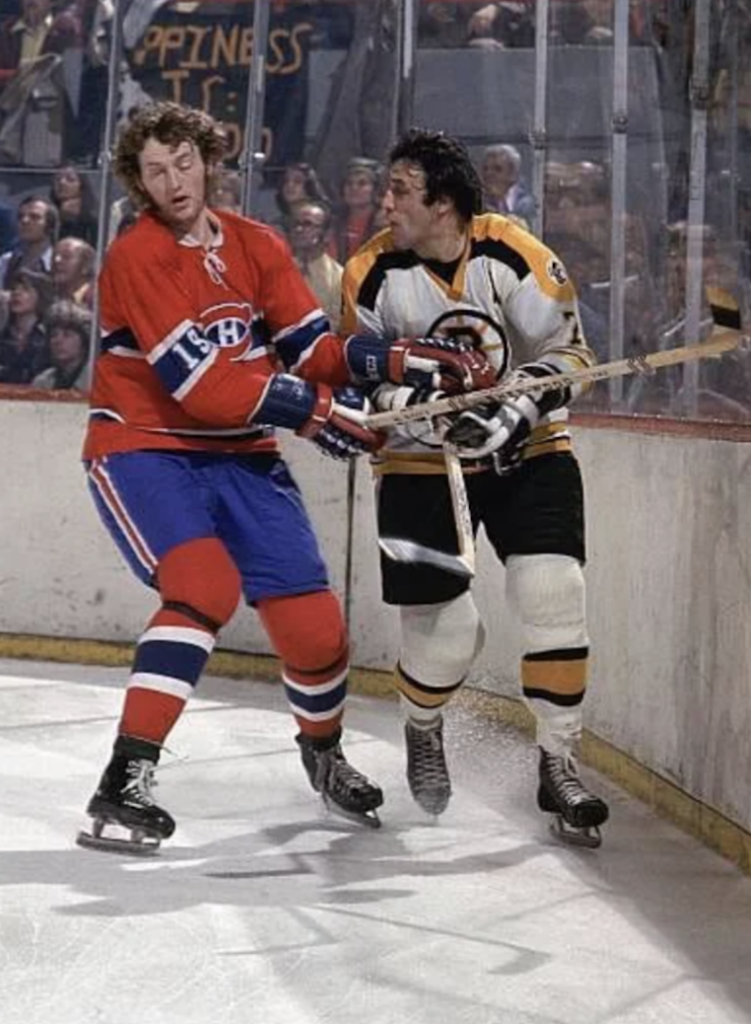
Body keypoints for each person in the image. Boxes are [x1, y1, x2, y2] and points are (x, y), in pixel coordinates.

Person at [77, 102, 490, 854]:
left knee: (317, 633)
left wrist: (393, 358)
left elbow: (313, 351)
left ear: (207, 158)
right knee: (203, 588)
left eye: (183, 162)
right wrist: (312, 411)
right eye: (154, 171)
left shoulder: (256, 244)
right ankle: (126, 774)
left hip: (242, 456)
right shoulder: (136, 255)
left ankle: (323, 754)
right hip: (144, 448)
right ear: (137, 183)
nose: (173, 181)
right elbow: (197, 382)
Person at [341, 127, 610, 848]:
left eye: (399, 190)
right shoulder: (370, 272)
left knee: (553, 594)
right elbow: (351, 378)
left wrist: (517, 402)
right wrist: (414, 415)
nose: (384, 203)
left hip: (531, 453)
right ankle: (422, 727)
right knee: (451, 636)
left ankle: (558, 761)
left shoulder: (512, 252)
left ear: (444, 202)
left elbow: (572, 354)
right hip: (417, 466)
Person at [288, 198, 343, 329]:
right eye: (296, 224)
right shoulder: (278, 269)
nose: (299, 229)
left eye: (308, 224)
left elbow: (336, 325)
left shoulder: (338, 279)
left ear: (327, 234)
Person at [31, 297, 91, 390]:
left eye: (67, 335)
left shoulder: (98, 381)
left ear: (84, 341)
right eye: (53, 335)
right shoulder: (42, 382)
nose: (58, 341)